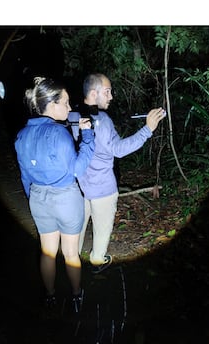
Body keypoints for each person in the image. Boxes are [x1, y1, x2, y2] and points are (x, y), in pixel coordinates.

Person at [68, 73, 165, 273]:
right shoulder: (102, 120)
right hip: (102, 189)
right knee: (102, 231)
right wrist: (148, 129)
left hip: (79, 187)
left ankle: (72, 261)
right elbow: (118, 149)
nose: (111, 96)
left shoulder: (71, 116)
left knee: (76, 230)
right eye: (107, 91)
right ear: (93, 93)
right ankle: (97, 261)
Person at [15, 77, 95, 313]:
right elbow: (77, 170)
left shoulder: (21, 135)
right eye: (66, 103)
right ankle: (77, 295)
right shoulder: (59, 134)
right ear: (51, 104)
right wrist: (88, 136)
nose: (70, 108)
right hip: (66, 198)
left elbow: (25, 177)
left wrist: (35, 199)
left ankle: (49, 296)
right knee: (70, 252)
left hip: (39, 199)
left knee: (48, 251)